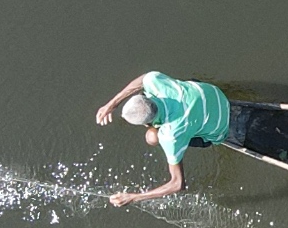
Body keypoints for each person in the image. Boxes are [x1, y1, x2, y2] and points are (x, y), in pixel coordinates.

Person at [95, 71, 231, 207]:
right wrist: (112, 104)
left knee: (152, 137)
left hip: (219, 130)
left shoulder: (170, 136)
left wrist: (133, 197)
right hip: (216, 94)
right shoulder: (154, 80)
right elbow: (141, 80)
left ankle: (206, 130)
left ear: (145, 123)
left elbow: (178, 184)